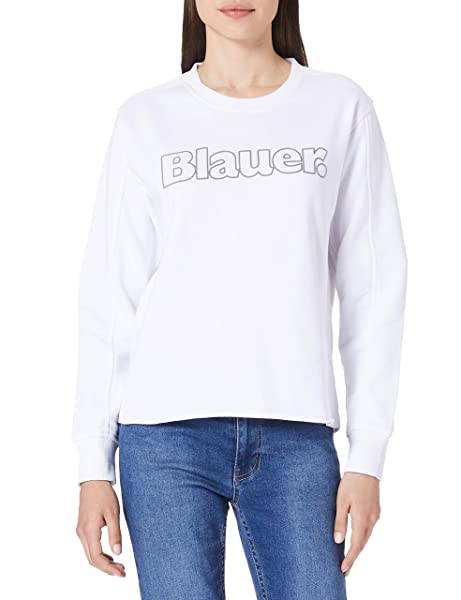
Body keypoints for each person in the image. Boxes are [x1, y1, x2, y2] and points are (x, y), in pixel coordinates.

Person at [72, 1, 408, 598]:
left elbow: (374, 288)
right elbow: (110, 293)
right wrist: (92, 467)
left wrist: (367, 457)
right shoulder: (147, 118)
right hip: (164, 437)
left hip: (297, 436)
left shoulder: (339, 107)